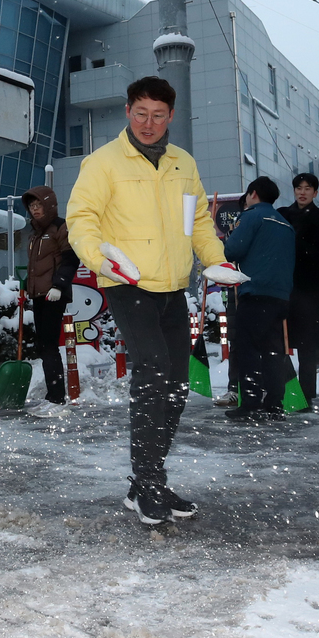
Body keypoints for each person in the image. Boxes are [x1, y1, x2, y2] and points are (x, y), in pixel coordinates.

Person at [66, 76, 243, 525]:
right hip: (127, 282)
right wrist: (99, 255)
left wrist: (215, 260)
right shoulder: (103, 162)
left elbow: (200, 222)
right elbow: (82, 218)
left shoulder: (183, 163)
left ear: (171, 116)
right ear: (128, 111)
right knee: (152, 372)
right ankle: (148, 483)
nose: (149, 123)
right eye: (141, 113)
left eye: (158, 115)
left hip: (173, 288)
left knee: (179, 386)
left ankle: (145, 481)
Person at [223, 177, 296, 422]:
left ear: (253, 194)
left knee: (248, 349)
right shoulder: (285, 223)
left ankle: (251, 402)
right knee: (273, 351)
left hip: (255, 292)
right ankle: (274, 404)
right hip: (281, 295)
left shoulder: (252, 216)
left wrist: (228, 237)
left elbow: (233, 250)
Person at [277, 173, 319, 412]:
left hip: (310, 289)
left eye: (307, 188)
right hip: (283, 287)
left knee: (308, 345)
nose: (302, 192)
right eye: (298, 188)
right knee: (279, 341)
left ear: (315, 192)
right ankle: (281, 389)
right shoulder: (282, 214)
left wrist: (293, 240)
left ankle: (307, 392)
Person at [22, 186, 79, 405]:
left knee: (49, 345)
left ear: (49, 205)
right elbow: (35, 266)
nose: (35, 210)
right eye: (32, 206)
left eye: (38, 205)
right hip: (39, 294)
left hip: (54, 293)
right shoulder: (34, 233)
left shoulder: (60, 227)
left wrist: (59, 285)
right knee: (44, 344)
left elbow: (71, 258)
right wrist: (26, 286)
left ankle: (56, 396)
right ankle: (53, 393)